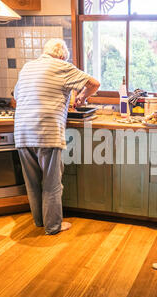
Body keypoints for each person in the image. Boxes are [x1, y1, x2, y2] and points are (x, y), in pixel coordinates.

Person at [13, 38, 100, 235]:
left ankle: (39, 222)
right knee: (52, 183)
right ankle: (53, 226)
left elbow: (17, 96)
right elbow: (94, 84)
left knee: (33, 183)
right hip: (46, 132)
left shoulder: (28, 67)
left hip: (22, 133)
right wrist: (82, 96)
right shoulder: (62, 66)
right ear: (62, 56)